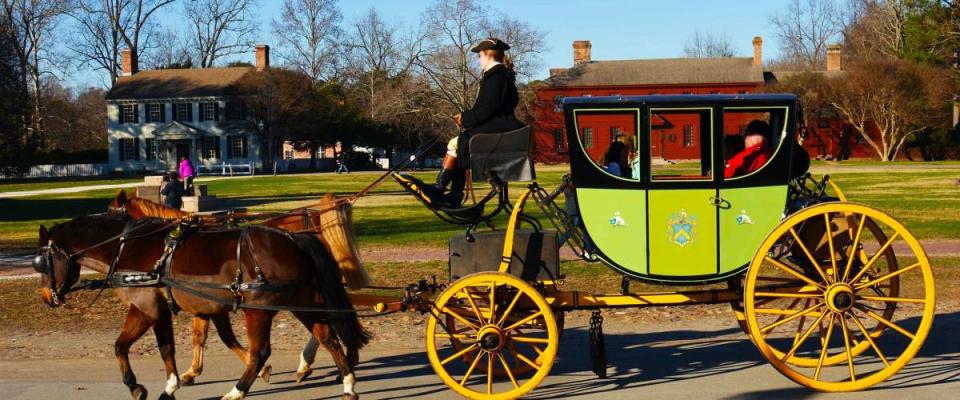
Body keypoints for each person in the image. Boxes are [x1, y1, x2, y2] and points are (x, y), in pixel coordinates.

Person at [419, 37, 523, 207]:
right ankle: (452, 193)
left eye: (480, 55)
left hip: (498, 130)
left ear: (488, 56)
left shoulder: (495, 77)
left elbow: (489, 108)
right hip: (500, 127)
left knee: (456, 144)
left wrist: (466, 118)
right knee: (459, 143)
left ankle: (442, 188)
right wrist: (467, 117)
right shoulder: (502, 76)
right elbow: (491, 107)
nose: (479, 59)